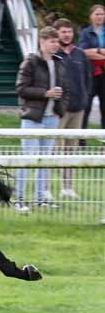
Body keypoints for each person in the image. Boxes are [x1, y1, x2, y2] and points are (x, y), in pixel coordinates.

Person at [13, 26, 70, 212]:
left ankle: (41, 198)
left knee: (45, 160)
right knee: (28, 159)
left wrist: (60, 109)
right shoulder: (30, 62)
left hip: (52, 118)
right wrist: (45, 93)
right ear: (42, 42)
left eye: (57, 42)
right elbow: (21, 88)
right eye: (52, 41)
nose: (56, 45)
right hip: (33, 118)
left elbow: (66, 89)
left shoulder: (60, 62)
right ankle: (19, 200)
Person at [53, 18, 92, 199]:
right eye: (63, 31)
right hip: (60, 109)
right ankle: (45, 188)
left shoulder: (80, 54)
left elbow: (88, 79)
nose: (67, 34)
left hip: (78, 108)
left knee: (71, 149)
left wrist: (85, 99)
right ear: (57, 33)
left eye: (69, 31)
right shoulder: (54, 54)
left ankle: (68, 187)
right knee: (53, 150)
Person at [78, 4, 105, 130]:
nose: (100, 16)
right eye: (97, 14)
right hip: (91, 74)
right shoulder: (85, 33)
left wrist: (94, 52)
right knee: (86, 107)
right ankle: (81, 140)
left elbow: (90, 52)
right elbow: (84, 52)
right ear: (91, 16)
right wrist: (101, 50)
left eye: (102, 14)